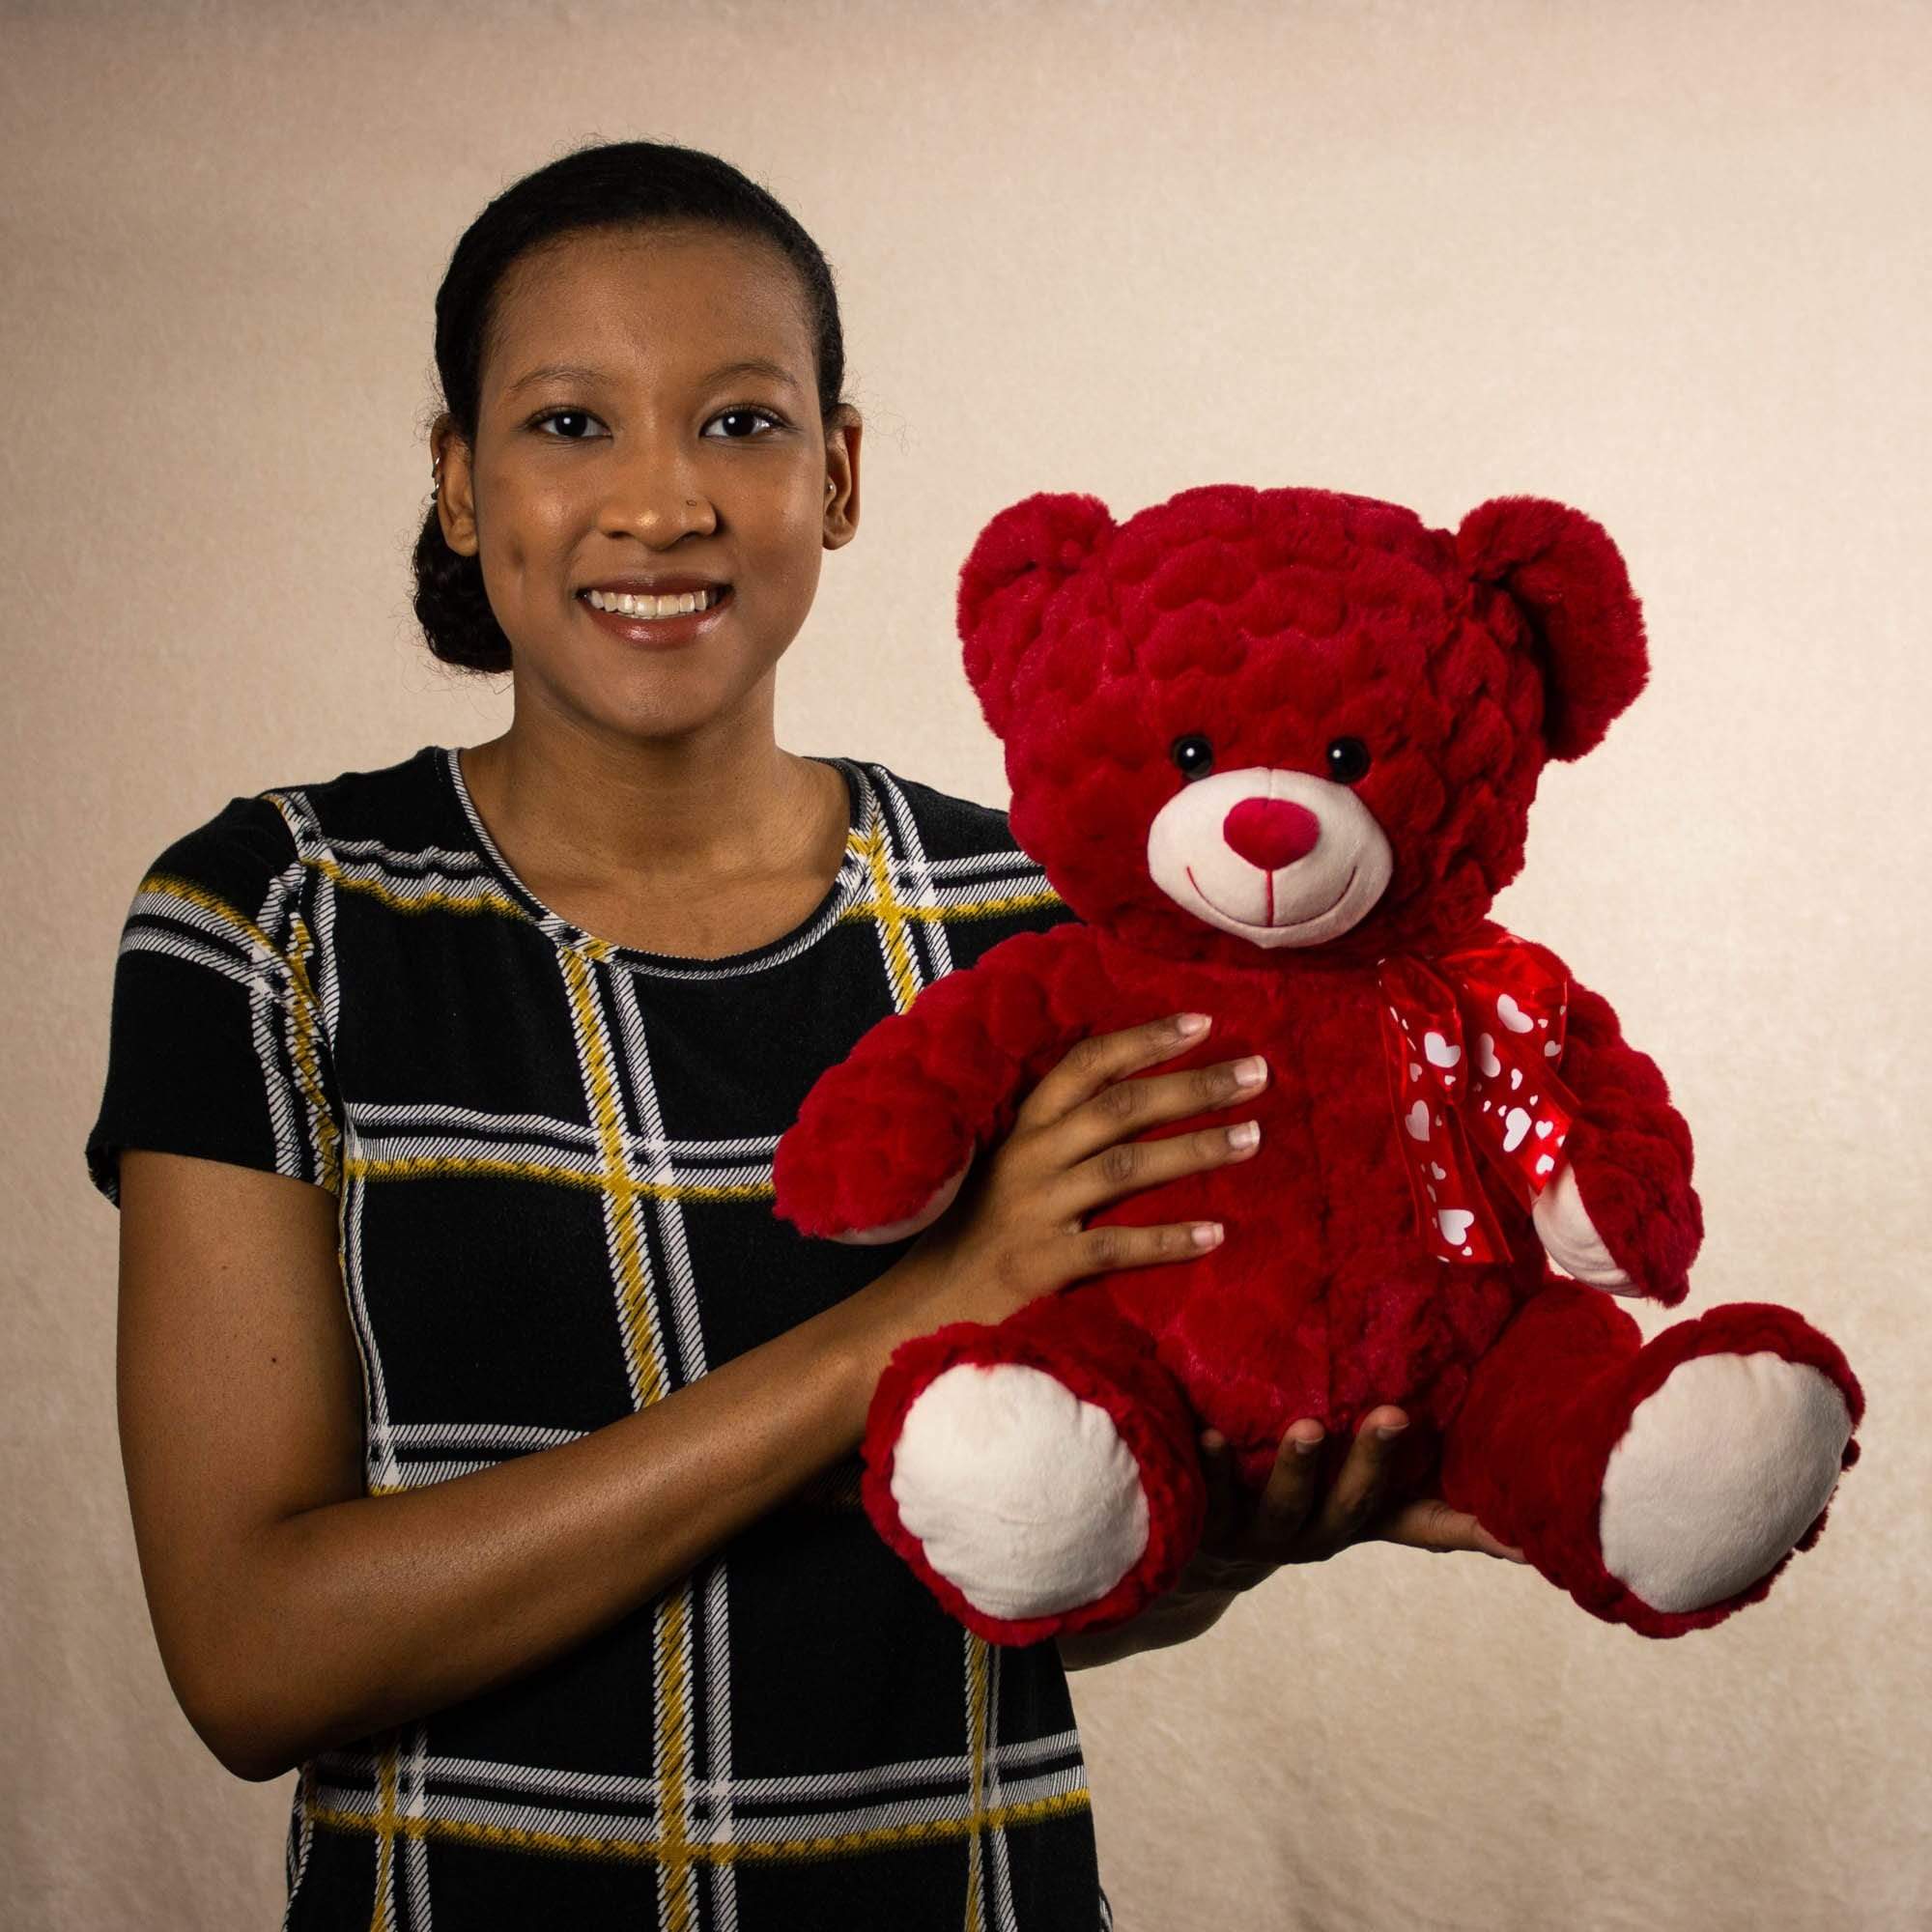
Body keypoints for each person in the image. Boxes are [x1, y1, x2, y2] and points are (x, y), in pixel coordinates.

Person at [89, 139, 1523, 1931]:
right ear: (459, 485)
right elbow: (252, 1657)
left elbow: (1062, 1571)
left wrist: (1231, 1531)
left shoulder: (1040, 920)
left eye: (742, 423)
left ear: (839, 475)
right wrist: (913, 1318)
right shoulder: (274, 918)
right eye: (568, 425)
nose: (663, 501)